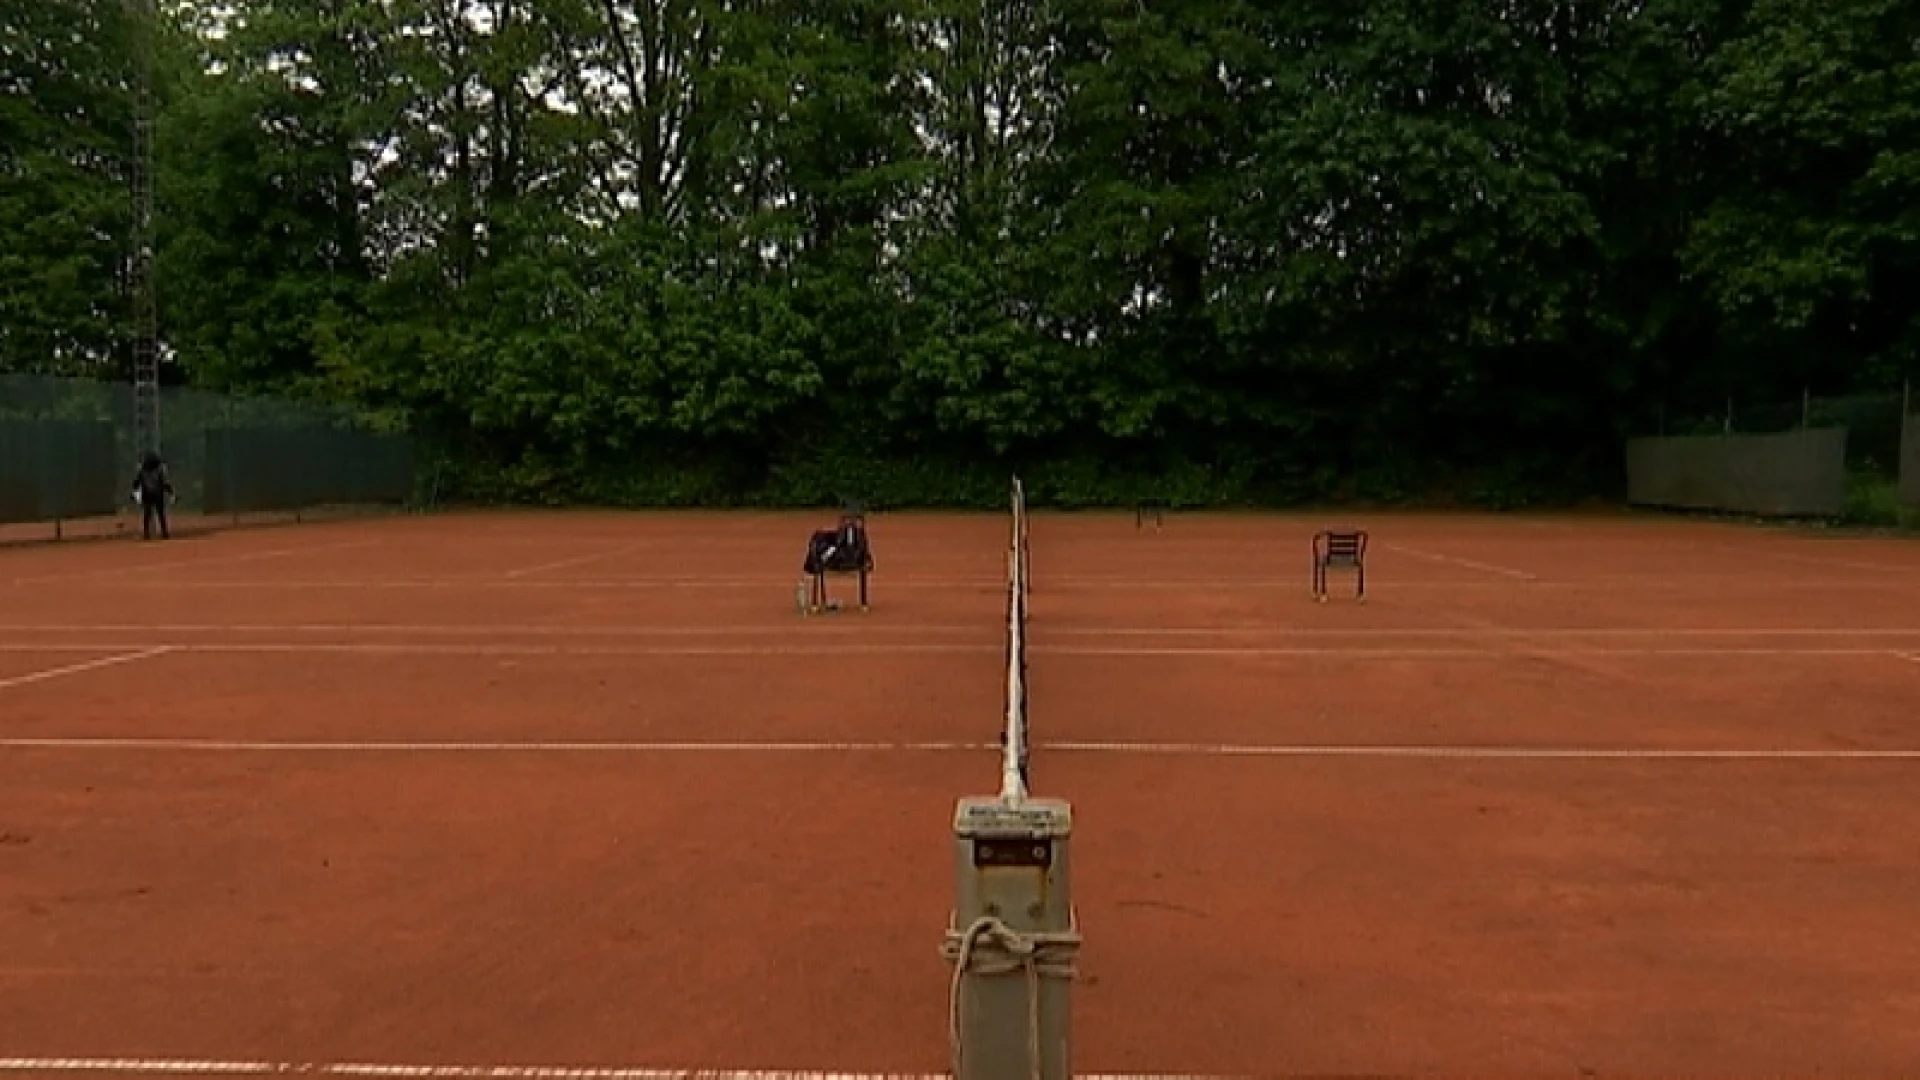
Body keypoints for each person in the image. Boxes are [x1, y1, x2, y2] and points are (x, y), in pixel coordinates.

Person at [130, 451, 174, 540]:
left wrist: (134, 491)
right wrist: (171, 492)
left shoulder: (142, 470)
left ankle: (147, 533)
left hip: (147, 494)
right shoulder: (159, 470)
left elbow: (136, 482)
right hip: (158, 494)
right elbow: (165, 482)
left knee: (147, 514)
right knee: (160, 514)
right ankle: (164, 532)